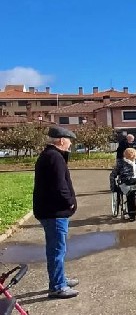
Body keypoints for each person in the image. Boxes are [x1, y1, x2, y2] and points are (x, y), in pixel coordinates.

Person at [33, 125, 79, 299]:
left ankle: (60, 279)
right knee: (56, 250)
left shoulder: (50, 155)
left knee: (57, 248)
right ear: (61, 140)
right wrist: (70, 202)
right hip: (54, 212)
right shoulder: (54, 157)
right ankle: (57, 286)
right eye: (69, 141)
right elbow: (60, 186)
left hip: (50, 210)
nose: (70, 145)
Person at [111, 147, 136, 221]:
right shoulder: (121, 163)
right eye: (134, 155)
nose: (135, 156)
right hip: (126, 182)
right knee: (130, 192)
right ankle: (132, 213)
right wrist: (113, 187)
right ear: (131, 155)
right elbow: (112, 175)